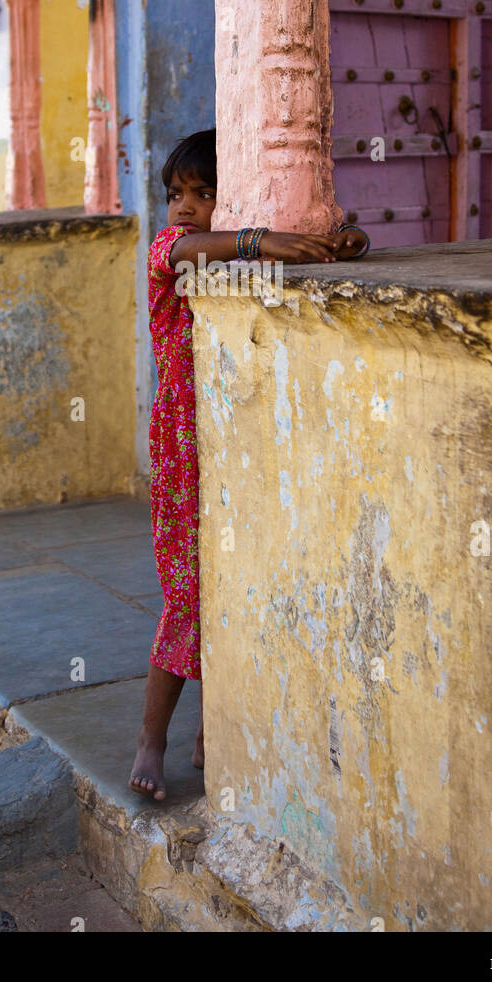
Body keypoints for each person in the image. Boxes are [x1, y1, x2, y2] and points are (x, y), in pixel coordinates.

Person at [128, 128, 369, 800]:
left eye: (205, 195)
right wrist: (259, 239)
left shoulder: (235, 270)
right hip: (182, 455)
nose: (185, 206)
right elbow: (186, 246)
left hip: (236, 447)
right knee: (187, 597)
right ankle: (152, 737)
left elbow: (339, 238)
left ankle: (215, 725)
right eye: (178, 193)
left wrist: (342, 241)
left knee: (235, 586)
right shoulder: (171, 255)